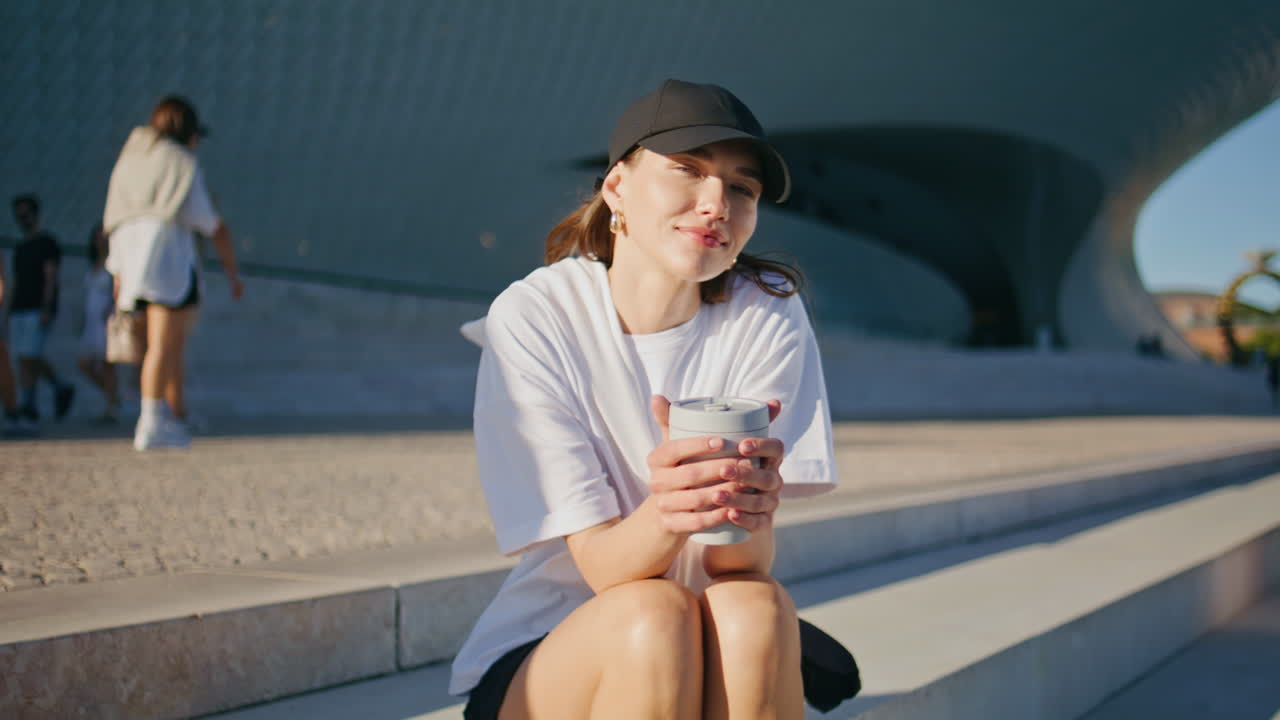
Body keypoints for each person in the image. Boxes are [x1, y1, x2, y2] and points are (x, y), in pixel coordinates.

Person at [449, 80, 849, 720]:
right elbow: (605, 567)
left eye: (742, 188)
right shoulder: (539, 316)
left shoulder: (765, 311)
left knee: (756, 607)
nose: (716, 201)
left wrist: (744, 502)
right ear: (616, 189)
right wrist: (669, 510)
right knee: (651, 614)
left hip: (705, 637)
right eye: (687, 170)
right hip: (554, 656)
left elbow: (739, 564)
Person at [103, 95, 244, 450]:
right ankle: (150, 422)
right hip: (166, 259)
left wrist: (118, 272)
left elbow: (115, 217)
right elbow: (211, 224)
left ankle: (174, 417)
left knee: (168, 344)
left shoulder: (130, 160)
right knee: (164, 345)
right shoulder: (182, 163)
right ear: (188, 132)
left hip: (130, 257)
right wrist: (233, 274)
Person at [9, 194, 76, 423]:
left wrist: (47, 307)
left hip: (38, 308)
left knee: (31, 355)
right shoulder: (20, 247)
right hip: (19, 308)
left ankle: (58, 387)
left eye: (26, 214)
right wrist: (9, 309)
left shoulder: (47, 243)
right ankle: (30, 403)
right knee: (22, 358)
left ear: (36, 214)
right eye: (18, 215)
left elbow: (50, 277)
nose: (22, 219)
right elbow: (16, 280)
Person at [78, 223, 120, 422]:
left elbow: (119, 290)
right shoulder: (92, 264)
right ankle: (113, 397)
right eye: (97, 238)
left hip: (107, 320)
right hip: (91, 321)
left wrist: (112, 308)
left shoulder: (115, 264)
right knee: (84, 364)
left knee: (106, 365)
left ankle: (110, 408)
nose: (99, 242)